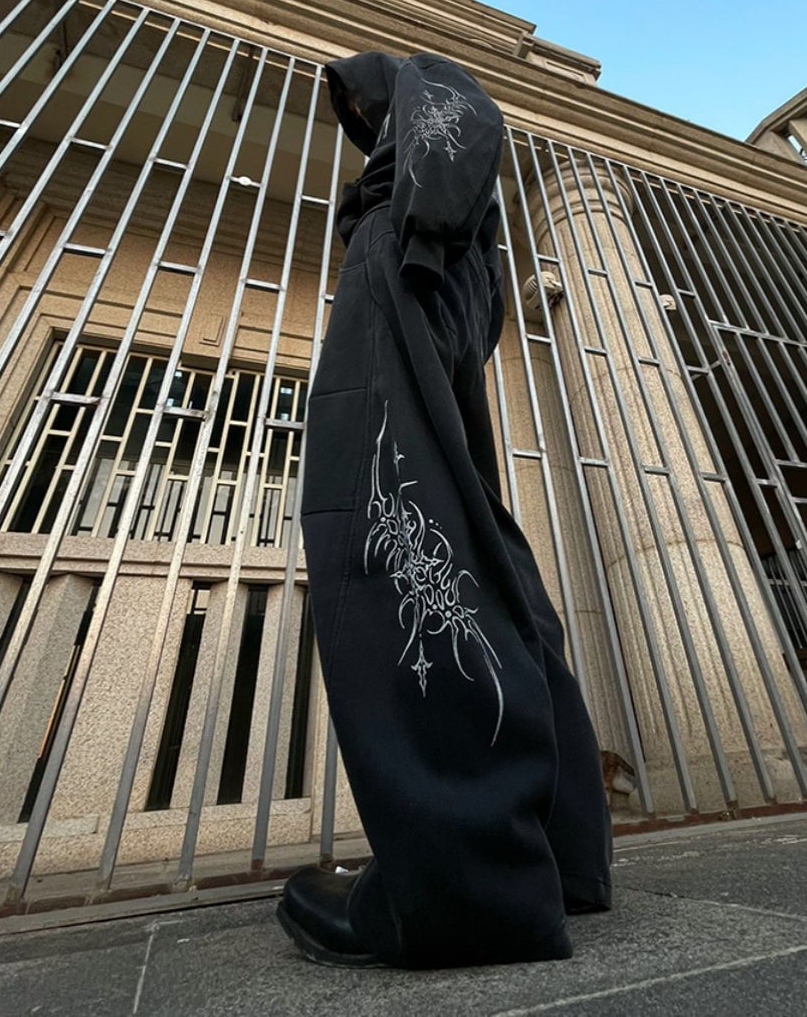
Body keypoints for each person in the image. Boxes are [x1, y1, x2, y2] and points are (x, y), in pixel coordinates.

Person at [276, 51, 611, 970]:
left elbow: (460, 116)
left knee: (377, 504)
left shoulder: (425, 92)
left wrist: (413, 235)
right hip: (441, 281)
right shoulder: (458, 227)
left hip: (408, 266)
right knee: (473, 534)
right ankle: (555, 853)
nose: (355, 114)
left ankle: (465, 881)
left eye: (359, 101)